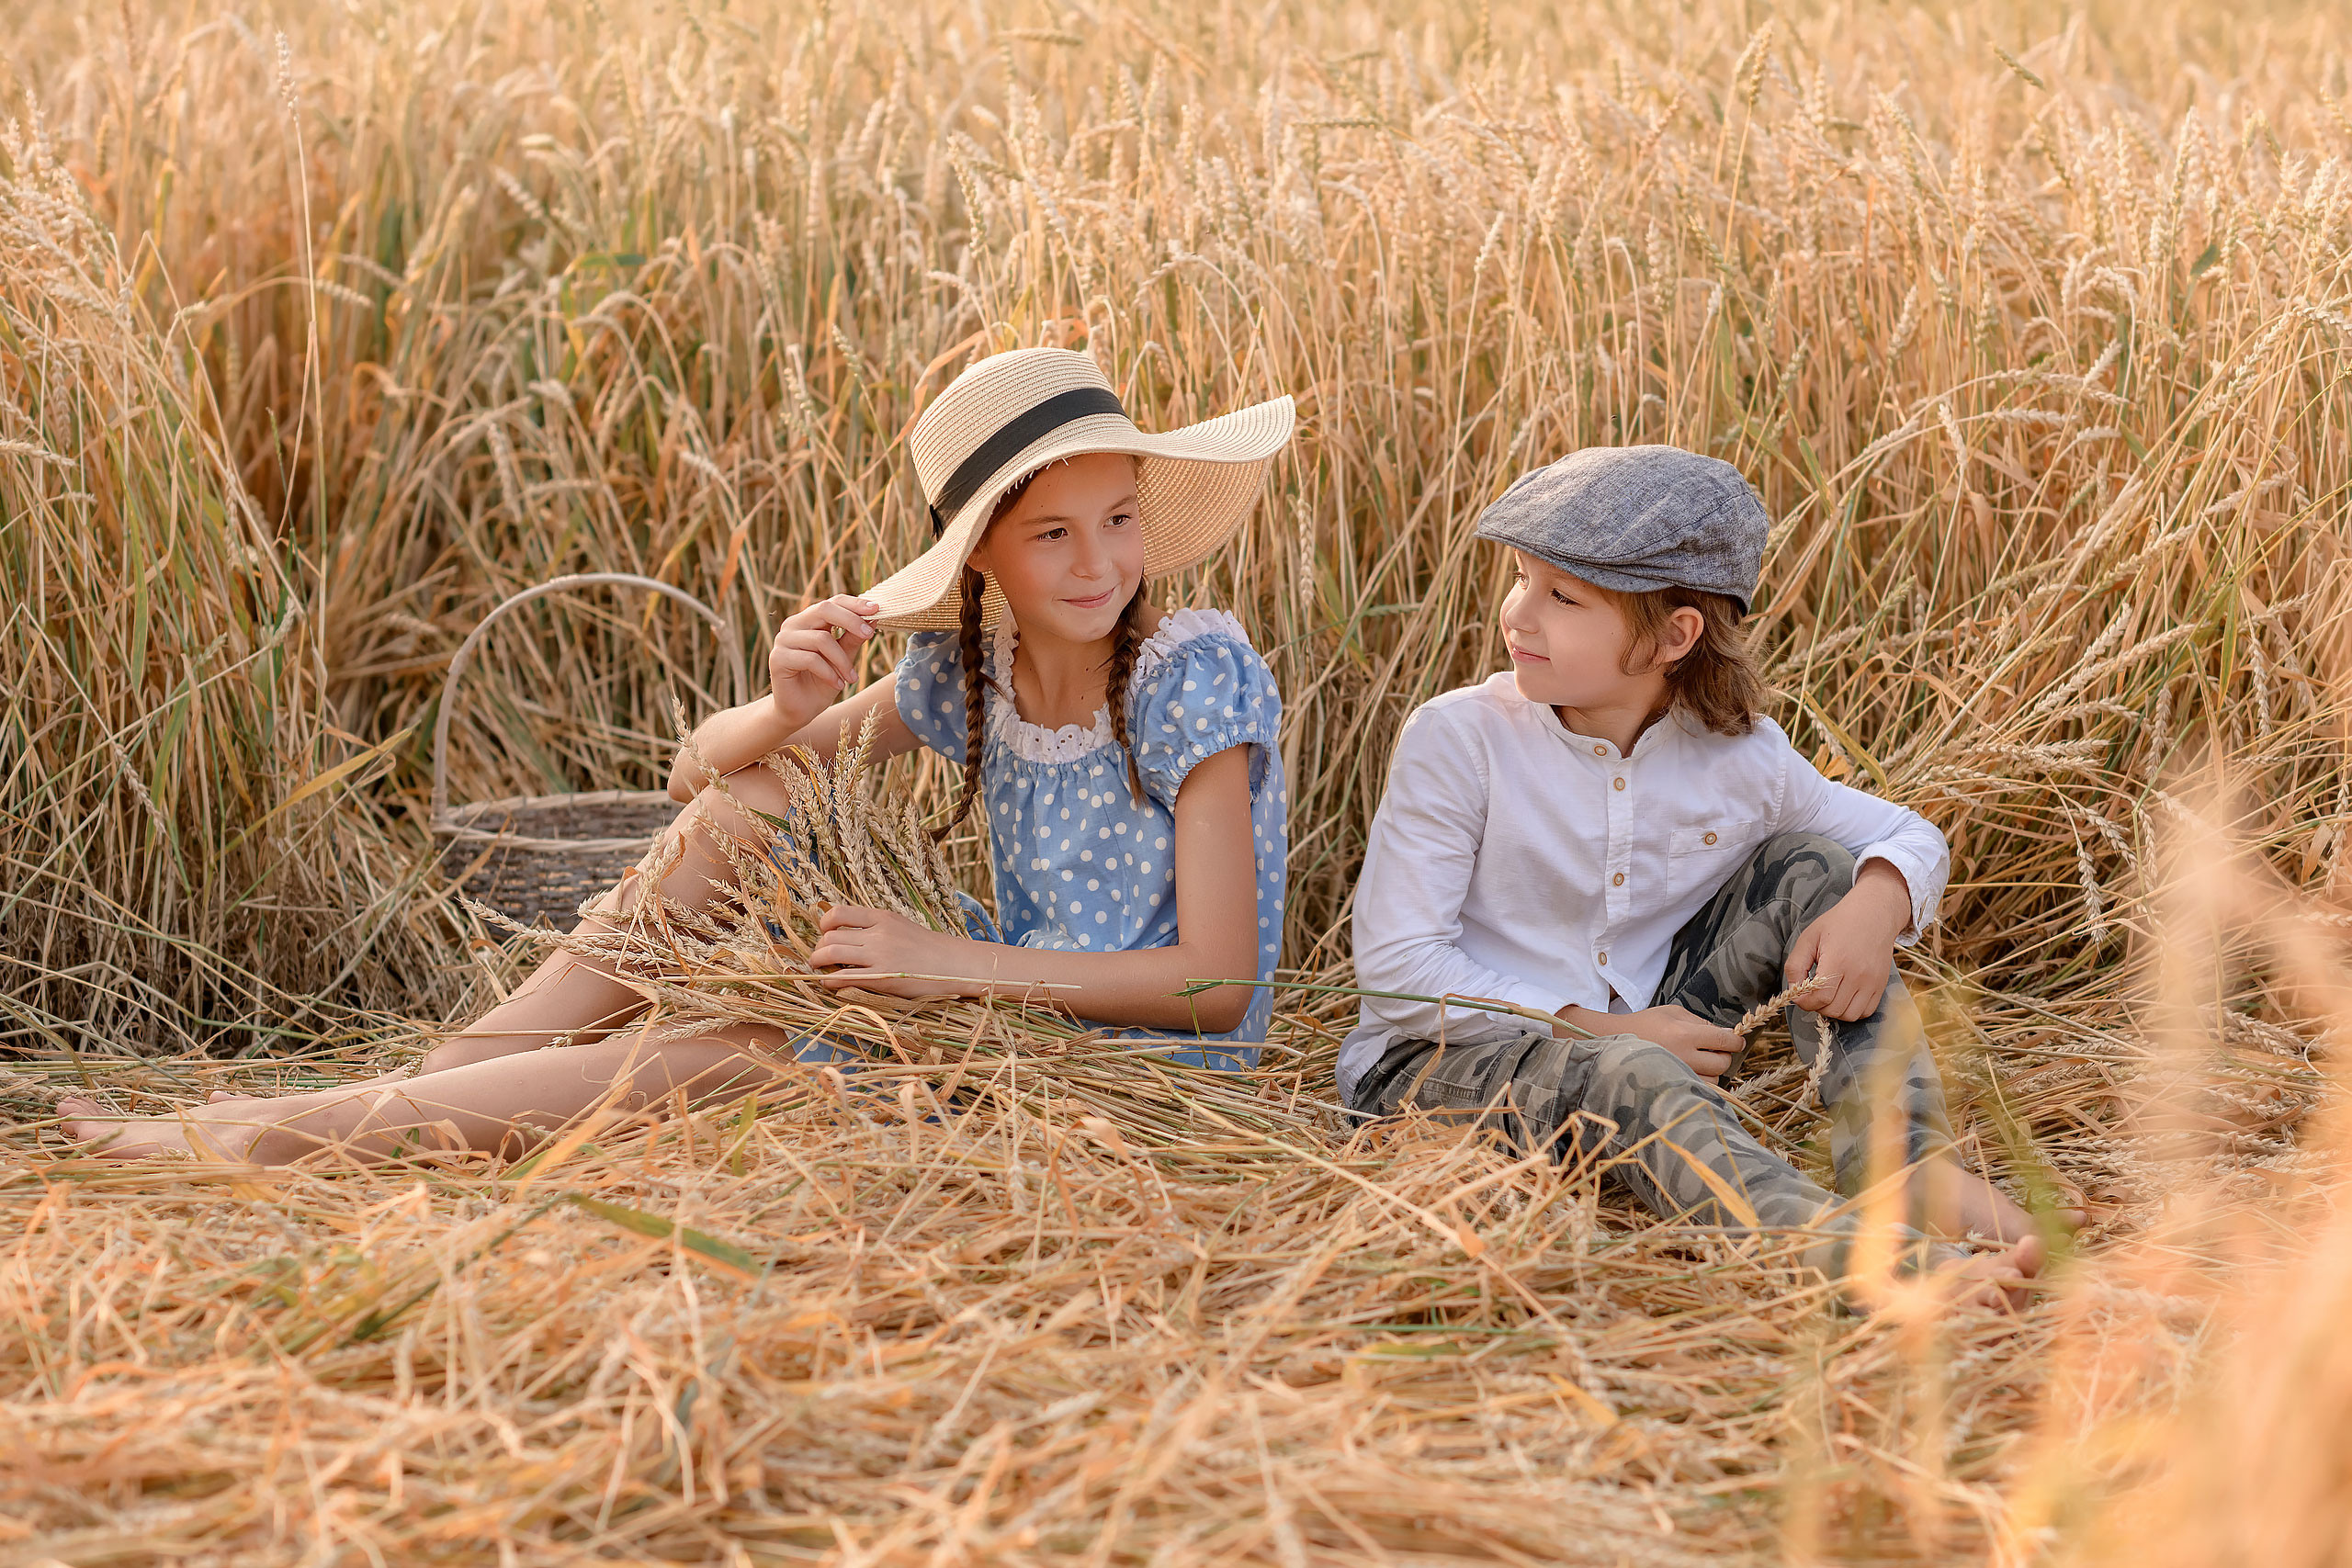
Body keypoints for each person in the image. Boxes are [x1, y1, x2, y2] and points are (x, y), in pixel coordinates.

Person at [61, 347, 1295, 1164]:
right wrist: (778, 703)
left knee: (742, 1058)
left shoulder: (1187, 676)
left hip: (1132, 1067)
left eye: (1121, 520)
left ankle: (297, 1133)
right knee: (763, 795)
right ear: (983, 561)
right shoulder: (972, 673)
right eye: (1053, 535)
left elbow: (1214, 985)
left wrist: (940, 962)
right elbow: (704, 779)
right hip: (996, 998)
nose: (1098, 564)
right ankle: (462, 1064)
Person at [1340, 445, 2051, 1306]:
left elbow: (1905, 834)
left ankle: (1907, 1170)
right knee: (1629, 1076)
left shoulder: (1737, 756)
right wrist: (1605, 1034)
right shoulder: (1459, 741)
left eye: (1562, 597)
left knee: (1819, 869)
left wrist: (1879, 898)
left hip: (1647, 1025)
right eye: (1522, 578)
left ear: (1676, 635)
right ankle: (1867, 1268)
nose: (1518, 615)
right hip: (1441, 1063)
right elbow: (1400, 965)